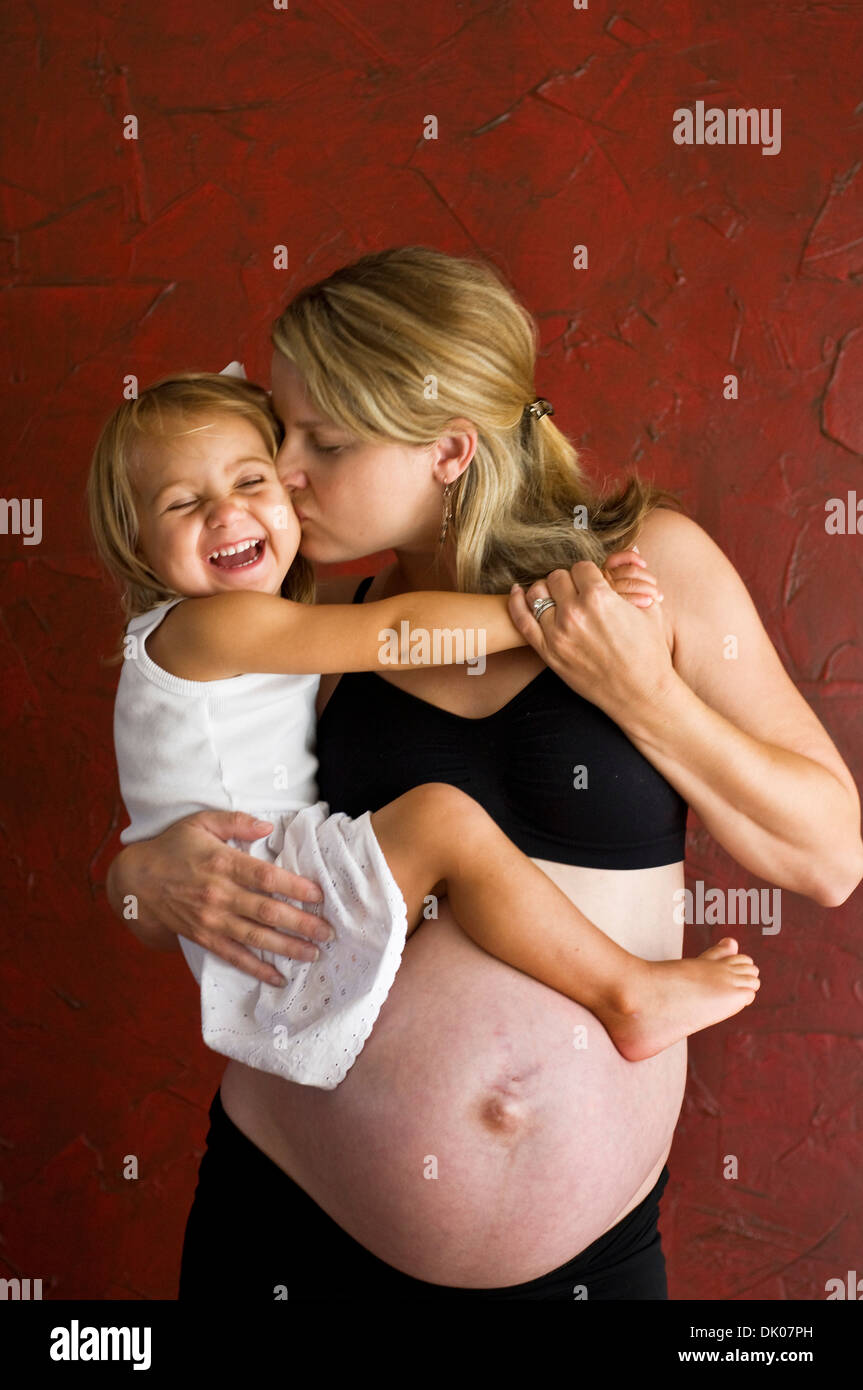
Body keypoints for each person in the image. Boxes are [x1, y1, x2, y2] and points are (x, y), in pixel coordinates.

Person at [105, 246, 863, 1301]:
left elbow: (827, 856)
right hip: (291, 1213)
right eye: (283, 436)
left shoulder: (650, 569)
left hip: (582, 1261)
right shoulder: (313, 627)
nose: (282, 475)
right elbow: (182, 846)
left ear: (448, 448)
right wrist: (139, 879)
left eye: (323, 442)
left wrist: (642, 692)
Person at [89, 370, 759, 1090]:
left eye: (252, 482)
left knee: (438, 824)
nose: (226, 514)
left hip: (276, 917)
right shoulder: (214, 623)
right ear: (135, 541)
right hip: (278, 906)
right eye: (185, 503)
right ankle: (625, 992)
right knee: (441, 819)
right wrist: (550, 610)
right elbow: (394, 632)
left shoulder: (256, 626)